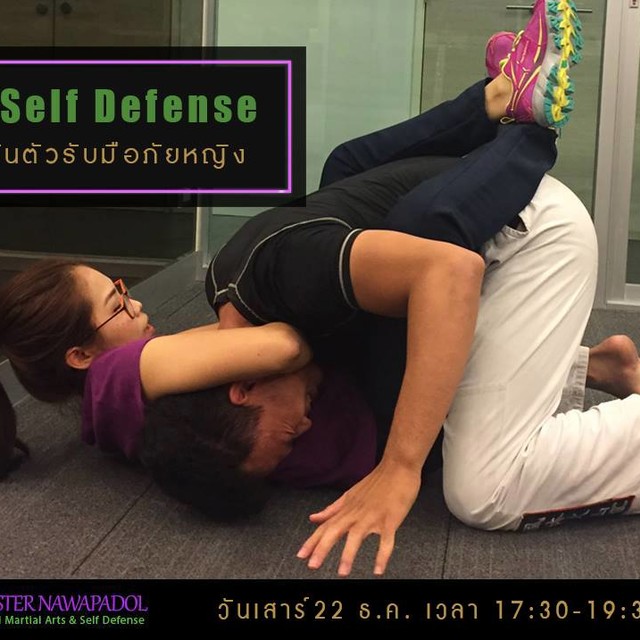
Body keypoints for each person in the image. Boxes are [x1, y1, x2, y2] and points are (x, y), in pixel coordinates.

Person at [147, 0, 587, 574]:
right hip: (435, 201)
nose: (306, 429)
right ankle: (497, 96)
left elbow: (451, 273)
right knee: (345, 169)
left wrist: (399, 469)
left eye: (286, 436)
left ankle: (527, 123)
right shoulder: (230, 296)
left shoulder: (292, 274)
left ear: (243, 388)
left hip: (512, 216)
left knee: (423, 240)